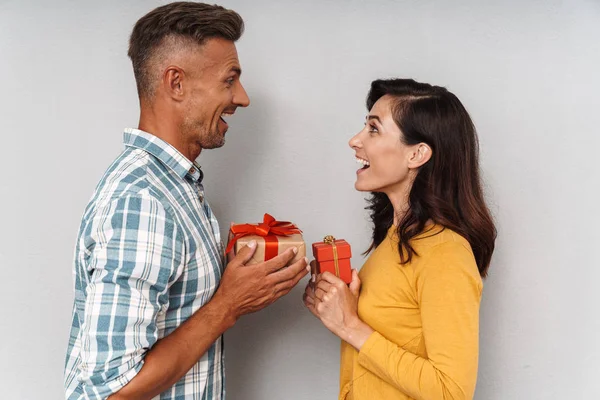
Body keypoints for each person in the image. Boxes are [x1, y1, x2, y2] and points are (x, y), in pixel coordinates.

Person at [63, 3, 309, 399]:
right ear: (175, 83)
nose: (242, 98)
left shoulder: (174, 186)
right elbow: (109, 392)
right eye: (230, 80)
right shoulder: (143, 200)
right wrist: (227, 304)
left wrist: (237, 277)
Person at [303, 78, 497, 400]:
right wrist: (334, 305)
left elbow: (451, 391)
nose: (355, 140)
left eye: (374, 129)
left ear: (417, 154)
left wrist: (349, 324)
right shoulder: (395, 239)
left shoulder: (446, 252)